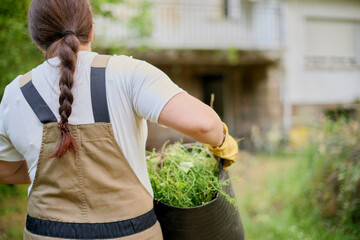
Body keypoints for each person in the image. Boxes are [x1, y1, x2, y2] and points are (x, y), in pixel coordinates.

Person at [0, 0, 239, 239]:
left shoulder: (16, 93)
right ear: (91, 29)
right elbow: (205, 125)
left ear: (38, 40)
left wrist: (45, 165)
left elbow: (6, 169)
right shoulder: (127, 73)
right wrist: (223, 142)